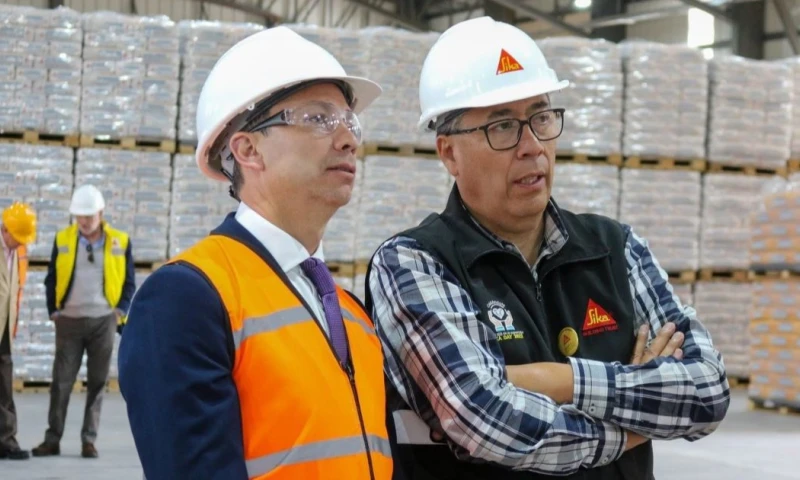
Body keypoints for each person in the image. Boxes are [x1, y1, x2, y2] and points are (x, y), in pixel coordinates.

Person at [366, 17, 730, 480]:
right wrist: (631, 424)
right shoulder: (416, 265)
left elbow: (707, 391)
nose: (532, 146)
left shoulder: (616, 249)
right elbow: (485, 418)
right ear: (449, 153)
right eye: (502, 127)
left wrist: (562, 381)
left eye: (541, 118)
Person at [118, 26, 392, 480]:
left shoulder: (352, 315)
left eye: (349, 121)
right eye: (319, 118)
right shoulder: (187, 298)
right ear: (247, 149)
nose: (347, 139)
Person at [33, 184, 135, 459]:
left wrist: (119, 312)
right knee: (61, 383)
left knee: (97, 382)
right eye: (79, 217)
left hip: (104, 321)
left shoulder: (120, 242)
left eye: (89, 217)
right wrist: (53, 310)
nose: (84, 222)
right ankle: (52, 439)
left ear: (101, 213)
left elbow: (128, 283)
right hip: (69, 321)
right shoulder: (64, 239)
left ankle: (88, 441)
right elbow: (51, 277)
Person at [0, 202, 36, 461]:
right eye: (17, 237)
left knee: (4, 388)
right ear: (5, 229)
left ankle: (6, 441)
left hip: (4, 330)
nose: (20, 243)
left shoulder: (19, 251)